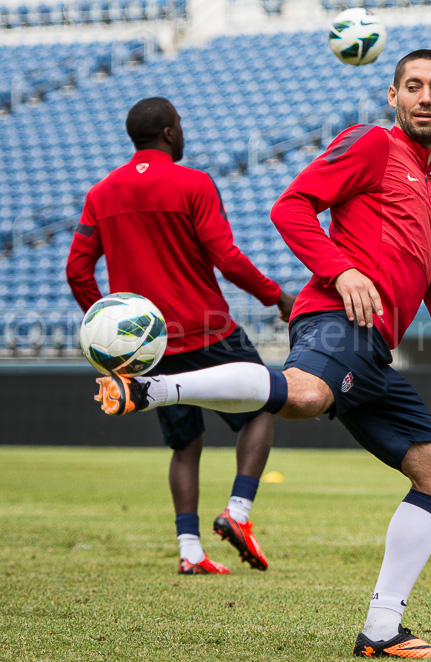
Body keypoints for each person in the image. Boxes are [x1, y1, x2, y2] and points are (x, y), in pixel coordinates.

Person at [92, 51, 431, 658]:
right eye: (413, 86)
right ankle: (148, 388)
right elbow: (290, 206)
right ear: (393, 95)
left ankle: (381, 632)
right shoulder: (372, 144)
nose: (424, 97)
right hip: (336, 320)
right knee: (308, 393)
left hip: (373, 354)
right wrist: (340, 268)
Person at [66, 98, 296, 575]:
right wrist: (277, 296)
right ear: (169, 133)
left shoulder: (101, 193)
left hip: (148, 350)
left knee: (185, 445)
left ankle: (190, 552)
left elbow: (77, 271)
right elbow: (227, 258)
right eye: (180, 125)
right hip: (208, 330)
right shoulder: (193, 183)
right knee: (266, 403)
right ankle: (238, 513)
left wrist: (111, 330)